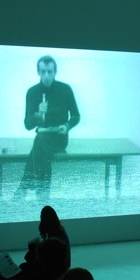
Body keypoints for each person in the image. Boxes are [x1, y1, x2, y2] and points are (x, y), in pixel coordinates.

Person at [16, 55, 81, 200]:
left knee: (39, 143)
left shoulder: (65, 89)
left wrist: (67, 126)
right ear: (38, 72)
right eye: (43, 71)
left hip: (59, 137)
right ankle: (43, 193)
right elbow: (28, 125)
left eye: (50, 71)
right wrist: (39, 115)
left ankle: (25, 187)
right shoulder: (32, 92)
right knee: (40, 142)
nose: (46, 75)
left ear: (55, 72)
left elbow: (76, 116)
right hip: (42, 136)